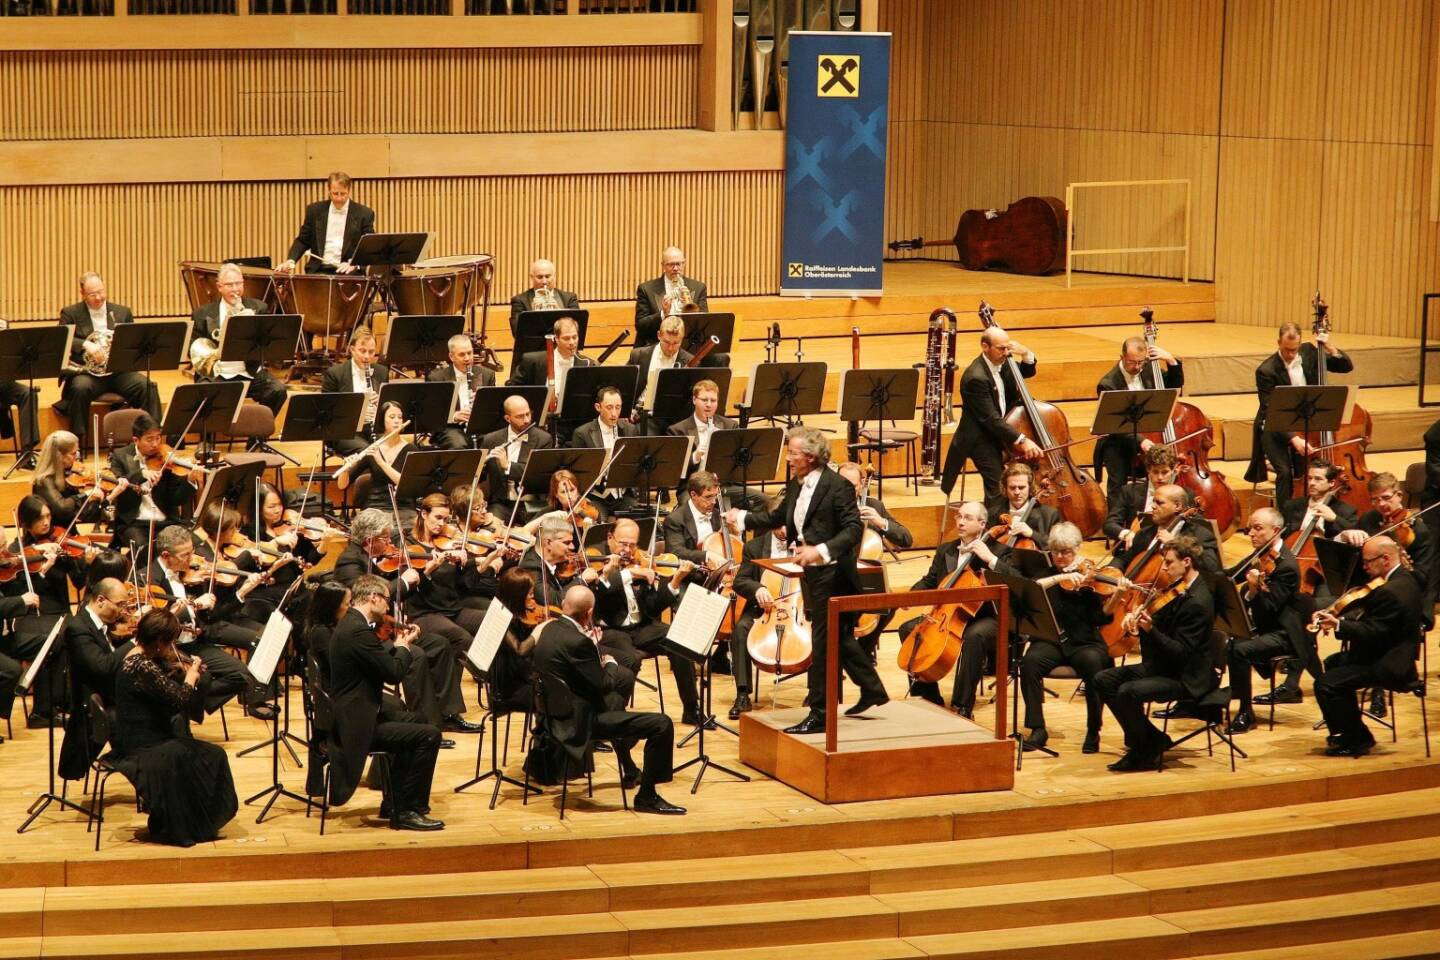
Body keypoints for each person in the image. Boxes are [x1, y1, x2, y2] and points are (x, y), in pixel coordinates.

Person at [724, 427, 887, 734]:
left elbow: (852, 530)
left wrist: (820, 551)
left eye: (793, 453)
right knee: (836, 638)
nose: (788, 458)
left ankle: (820, 713)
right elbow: (778, 517)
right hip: (815, 576)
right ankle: (872, 689)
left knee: (823, 645)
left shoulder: (837, 486)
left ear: (810, 457)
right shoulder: (798, 484)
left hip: (835, 574)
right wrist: (743, 518)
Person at [532, 584, 685, 815]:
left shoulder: (549, 629)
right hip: (580, 723)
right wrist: (610, 663)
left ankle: (630, 767)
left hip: (553, 715)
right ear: (589, 613)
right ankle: (647, 796)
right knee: (662, 724)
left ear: (564, 605)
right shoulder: (579, 642)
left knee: (616, 702)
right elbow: (603, 684)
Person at [332, 508, 469, 734]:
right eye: (384, 538)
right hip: (367, 636)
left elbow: (396, 594)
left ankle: (448, 714)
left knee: (440, 644)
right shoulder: (349, 561)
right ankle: (426, 726)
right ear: (369, 539)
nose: (389, 543)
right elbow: (367, 599)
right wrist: (403, 582)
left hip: (385, 627)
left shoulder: (373, 558)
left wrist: (423, 575)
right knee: (414, 655)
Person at [325, 575, 444, 830]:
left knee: (418, 720)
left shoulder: (353, 623)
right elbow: (394, 673)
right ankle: (407, 810)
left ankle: (394, 801)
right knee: (430, 735)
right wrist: (403, 646)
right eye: (387, 601)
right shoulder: (357, 631)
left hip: (358, 712)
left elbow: (375, 658)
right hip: (357, 725)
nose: (388, 608)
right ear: (373, 598)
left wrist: (399, 646)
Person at [115, 609, 239, 846]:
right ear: (160, 642)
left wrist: (177, 673)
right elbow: (180, 700)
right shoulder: (141, 666)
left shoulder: (140, 657)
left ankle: (194, 821)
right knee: (208, 756)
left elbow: (162, 693)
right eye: (171, 641)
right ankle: (188, 825)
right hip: (144, 745)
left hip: (151, 736)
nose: (173, 646)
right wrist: (191, 677)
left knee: (211, 753)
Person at [1093, 536, 1217, 772]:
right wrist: (1138, 625)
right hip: (1163, 665)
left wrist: (1151, 629)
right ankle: (1152, 739)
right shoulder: (1176, 589)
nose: (1165, 567)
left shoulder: (1199, 602)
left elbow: (1181, 652)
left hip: (1186, 676)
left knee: (1127, 691)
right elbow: (1160, 628)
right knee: (1104, 679)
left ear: (1187, 562)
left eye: (1169, 562)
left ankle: (1144, 749)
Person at [894, 500, 1019, 715]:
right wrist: (910, 596)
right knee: (908, 629)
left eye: (967, 518)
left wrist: (990, 559)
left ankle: (963, 705)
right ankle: (928, 696)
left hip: (986, 615)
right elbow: (931, 580)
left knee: (974, 637)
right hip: (949, 614)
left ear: (982, 524)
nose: (960, 522)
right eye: (959, 517)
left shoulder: (1000, 550)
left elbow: (1017, 581)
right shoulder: (946, 550)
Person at [1312, 536, 1423, 757]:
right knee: (1334, 664)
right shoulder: (1405, 578)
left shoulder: (1391, 591)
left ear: (1386, 558)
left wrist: (1339, 625)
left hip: (1389, 663)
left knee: (1325, 684)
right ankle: (1351, 730)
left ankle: (1356, 740)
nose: (1364, 567)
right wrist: (1337, 614)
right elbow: (1374, 618)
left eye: (1368, 562)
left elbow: (1373, 632)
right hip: (1386, 651)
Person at [147, 523, 271, 721]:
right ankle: (184, 702)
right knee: (199, 679)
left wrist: (239, 592)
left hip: (196, 640)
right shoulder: (150, 579)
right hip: (172, 649)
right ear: (165, 555)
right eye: (184, 555)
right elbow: (156, 626)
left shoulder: (188, 571)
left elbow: (213, 616)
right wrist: (193, 606)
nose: (191, 559)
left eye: (191, 552)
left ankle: (190, 698)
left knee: (242, 675)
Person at [591, 518, 701, 726]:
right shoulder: (596, 557)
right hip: (611, 630)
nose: (628, 550)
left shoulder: (640, 560)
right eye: (623, 543)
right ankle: (613, 717)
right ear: (610, 538)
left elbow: (652, 607)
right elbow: (597, 597)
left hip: (641, 627)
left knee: (678, 639)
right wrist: (626, 573)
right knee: (630, 659)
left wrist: (675, 582)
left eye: (633, 544)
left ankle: (691, 707)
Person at [1017, 522, 1113, 754]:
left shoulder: (1090, 579)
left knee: (1094, 666)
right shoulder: (1047, 575)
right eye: (1056, 551)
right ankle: (1038, 728)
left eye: (1067, 551)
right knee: (1029, 663)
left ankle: (1093, 730)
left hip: (1084, 643)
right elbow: (1034, 588)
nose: (1060, 556)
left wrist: (1115, 594)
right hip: (1052, 643)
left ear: (1077, 549)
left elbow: (1102, 618)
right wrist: (1060, 578)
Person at [5, 494, 97, 727]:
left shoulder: (60, 541)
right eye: (39, 519)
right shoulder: (17, 552)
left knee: (78, 632)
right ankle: (50, 707)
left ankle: (69, 701)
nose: (46, 523)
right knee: (61, 637)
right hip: (31, 616)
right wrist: (44, 568)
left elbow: (78, 582)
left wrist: (85, 562)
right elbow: (17, 594)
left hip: (60, 611)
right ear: (25, 523)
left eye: (48, 516)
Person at [1244, 319, 1354, 512]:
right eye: (1287, 349)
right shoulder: (1266, 370)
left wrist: (1329, 347)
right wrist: (1294, 438)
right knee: (1285, 471)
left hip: (1307, 422)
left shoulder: (1310, 353)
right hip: (1274, 426)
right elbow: (1271, 410)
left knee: (1310, 470)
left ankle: (1316, 510)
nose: (1290, 354)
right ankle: (1285, 516)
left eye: (1294, 350)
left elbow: (1345, 367)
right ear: (1279, 343)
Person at [1222, 508, 1306, 734]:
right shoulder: (1259, 555)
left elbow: (1269, 609)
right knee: (1217, 636)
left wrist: (1253, 590)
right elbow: (1229, 575)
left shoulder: (1286, 567)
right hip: (1261, 628)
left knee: (1238, 649)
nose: (1250, 533)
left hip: (1282, 634)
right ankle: (1204, 699)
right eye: (1250, 528)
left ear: (1276, 531)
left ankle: (1245, 713)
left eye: (1258, 528)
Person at [941, 326, 1042, 501]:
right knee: (998, 488)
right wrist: (1022, 440)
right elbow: (990, 419)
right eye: (1001, 348)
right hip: (980, 437)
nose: (1006, 353)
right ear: (985, 346)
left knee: (1023, 480)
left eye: (1008, 348)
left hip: (1001, 432)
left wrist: (1025, 353)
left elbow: (1027, 371)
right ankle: (995, 522)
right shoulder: (975, 377)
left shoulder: (1004, 363)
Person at [56, 271, 156, 447]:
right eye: (92, 294)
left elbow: (134, 340)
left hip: (118, 371)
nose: (98, 297)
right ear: (83, 294)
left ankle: (152, 437)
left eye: (101, 292)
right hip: (88, 373)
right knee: (80, 388)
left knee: (147, 386)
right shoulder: (71, 313)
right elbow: (63, 337)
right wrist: (86, 345)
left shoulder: (121, 312)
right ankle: (76, 444)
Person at [59, 578, 135, 781]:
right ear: (101, 600)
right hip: (99, 705)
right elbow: (102, 667)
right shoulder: (78, 627)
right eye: (120, 605)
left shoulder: (98, 623)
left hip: (113, 694)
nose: (123, 611)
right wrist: (136, 641)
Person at [189, 262, 289, 416]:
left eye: (238, 283)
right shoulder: (202, 313)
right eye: (229, 285)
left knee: (278, 390)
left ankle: (256, 438)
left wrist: (251, 327)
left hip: (249, 371)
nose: (235, 289)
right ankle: (207, 438)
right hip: (217, 372)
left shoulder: (259, 308)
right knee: (203, 395)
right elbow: (194, 350)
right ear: (219, 287)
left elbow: (268, 345)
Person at [1092, 335, 1183, 500]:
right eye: (1132, 362)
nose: (1137, 367)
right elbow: (1114, 424)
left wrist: (1171, 361)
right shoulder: (1108, 383)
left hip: (1150, 433)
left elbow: (1175, 388)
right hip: (1119, 439)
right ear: (1122, 357)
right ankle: (1116, 518)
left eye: (1140, 362)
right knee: (1117, 482)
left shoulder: (1148, 369)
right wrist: (1141, 441)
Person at [109, 413, 197, 556]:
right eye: (150, 439)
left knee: (193, 544)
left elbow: (176, 499)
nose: (156, 444)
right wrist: (141, 474)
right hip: (135, 523)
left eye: (158, 438)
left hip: (165, 521)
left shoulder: (165, 457)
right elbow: (116, 485)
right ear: (136, 440)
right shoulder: (120, 456)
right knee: (144, 551)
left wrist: (191, 480)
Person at [277, 172, 376, 275]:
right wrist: (291, 260)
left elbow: (368, 247)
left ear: (349, 191)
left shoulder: (364, 214)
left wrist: (354, 264)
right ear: (329, 191)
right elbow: (303, 240)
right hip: (319, 270)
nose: (339, 198)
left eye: (343, 194)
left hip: (348, 271)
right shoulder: (314, 211)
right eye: (335, 193)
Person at [1113, 483, 1222, 574]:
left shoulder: (1200, 534)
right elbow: (1123, 559)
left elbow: (1211, 567)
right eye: (1154, 501)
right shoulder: (1144, 533)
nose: (1153, 506)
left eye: (1159, 503)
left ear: (1178, 506)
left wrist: (1175, 544)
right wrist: (1112, 570)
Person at [478, 395, 554, 520]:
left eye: (528, 414)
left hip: (532, 503)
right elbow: (481, 475)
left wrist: (508, 466)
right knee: (491, 527)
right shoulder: (491, 440)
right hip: (501, 504)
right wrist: (479, 466)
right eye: (520, 416)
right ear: (508, 418)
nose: (526, 420)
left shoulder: (544, 439)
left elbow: (537, 476)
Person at [507, 316, 595, 420]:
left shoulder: (588, 364)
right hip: (540, 419)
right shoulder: (532, 361)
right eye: (566, 338)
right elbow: (511, 388)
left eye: (574, 337)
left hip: (572, 421)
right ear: (556, 339)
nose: (572, 342)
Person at [570, 385, 640, 515]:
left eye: (618, 407)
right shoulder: (582, 433)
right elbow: (578, 472)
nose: (614, 413)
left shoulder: (630, 429)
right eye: (609, 407)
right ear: (598, 407)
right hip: (596, 497)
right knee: (596, 524)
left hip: (623, 495)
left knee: (638, 522)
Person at [334, 401, 416, 513]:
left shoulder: (411, 450)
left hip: (403, 506)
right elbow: (342, 485)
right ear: (382, 420)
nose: (397, 420)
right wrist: (346, 468)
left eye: (400, 417)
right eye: (392, 417)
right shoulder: (372, 449)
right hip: (376, 505)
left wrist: (381, 462)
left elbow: (407, 486)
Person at [320, 327, 389, 455]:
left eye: (371, 352)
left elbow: (389, 408)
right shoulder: (335, 373)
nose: (367, 357)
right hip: (346, 432)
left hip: (374, 429)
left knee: (393, 449)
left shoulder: (381, 372)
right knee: (369, 452)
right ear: (352, 349)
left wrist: (381, 403)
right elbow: (326, 411)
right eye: (362, 351)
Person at [33, 430, 121, 530]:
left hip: (68, 533)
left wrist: (107, 498)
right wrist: (86, 494)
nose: (77, 457)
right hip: (49, 537)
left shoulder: (67, 476)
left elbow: (87, 516)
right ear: (60, 456)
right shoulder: (44, 481)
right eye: (74, 453)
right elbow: (62, 508)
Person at [427, 333, 496, 450]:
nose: (467, 358)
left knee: (494, 440)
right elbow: (432, 412)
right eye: (462, 354)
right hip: (451, 428)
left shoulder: (486, 374)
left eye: (470, 353)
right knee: (458, 445)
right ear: (451, 356)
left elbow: (494, 407)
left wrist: (481, 405)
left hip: (480, 427)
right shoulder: (436, 378)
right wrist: (454, 416)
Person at [508, 258, 579, 369]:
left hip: (564, 355)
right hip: (531, 358)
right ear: (532, 277)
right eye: (540, 277)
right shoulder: (520, 300)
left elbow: (578, 327)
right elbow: (517, 332)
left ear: (554, 276)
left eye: (548, 276)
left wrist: (559, 311)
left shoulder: (569, 298)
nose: (544, 281)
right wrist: (534, 313)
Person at [1103, 446, 1179, 547]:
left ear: (1173, 470)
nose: (1160, 477)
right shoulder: (1129, 491)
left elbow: (1196, 530)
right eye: (1155, 472)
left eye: (1165, 472)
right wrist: (1126, 534)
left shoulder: (1184, 495)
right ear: (1148, 470)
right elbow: (1110, 524)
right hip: (1134, 549)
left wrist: (1175, 541)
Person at [634, 246, 708, 347]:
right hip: (658, 343)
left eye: (678, 264)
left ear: (684, 263)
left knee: (720, 358)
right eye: (671, 264)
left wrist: (693, 313)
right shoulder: (646, 289)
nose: (675, 268)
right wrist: (663, 313)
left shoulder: (699, 287)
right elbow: (640, 326)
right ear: (663, 265)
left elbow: (706, 322)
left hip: (689, 343)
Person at [628, 315, 693, 426]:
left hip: (671, 419)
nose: (671, 348)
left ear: (682, 339)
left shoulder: (690, 361)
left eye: (676, 343)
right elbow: (625, 387)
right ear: (659, 335)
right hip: (638, 415)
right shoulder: (638, 355)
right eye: (667, 342)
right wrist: (626, 411)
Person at [984, 461, 1060, 550]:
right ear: (1005, 488)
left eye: (1021, 487)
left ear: (1030, 487)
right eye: (1012, 488)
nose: (1017, 492)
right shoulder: (991, 514)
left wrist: (1033, 534)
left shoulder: (1050, 514)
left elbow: (1059, 547)